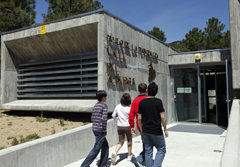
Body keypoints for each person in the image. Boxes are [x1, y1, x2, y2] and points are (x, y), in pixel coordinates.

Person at [138, 82, 169, 167]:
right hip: (156, 130)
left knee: (148, 151)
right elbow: (162, 117)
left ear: (147, 91)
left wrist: (141, 129)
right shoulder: (158, 102)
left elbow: (139, 118)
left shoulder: (142, 102)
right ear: (157, 92)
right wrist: (165, 129)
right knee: (161, 149)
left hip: (146, 130)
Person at [81, 90, 109, 167]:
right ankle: (84, 165)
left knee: (105, 147)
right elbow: (104, 119)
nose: (106, 98)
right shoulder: (104, 106)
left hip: (95, 128)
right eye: (105, 97)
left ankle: (103, 164)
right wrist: (104, 128)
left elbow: (92, 118)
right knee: (96, 149)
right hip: (101, 129)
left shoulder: (95, 106)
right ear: (103, 97)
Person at [129, 83, 148, 163]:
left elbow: (131, 114)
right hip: (149, 124)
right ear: (146, 90)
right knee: (148, 143)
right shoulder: (149, 99)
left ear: (138, 90)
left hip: (140, 125)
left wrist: (132, 126)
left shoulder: (135, 101)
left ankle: (143, 155)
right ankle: (143, 158)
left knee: (145, 141)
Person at [111, 93, 132, 165]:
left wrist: (116, 120)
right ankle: (129, 156)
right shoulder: (129, 108)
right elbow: (132, 118)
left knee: (120, 141)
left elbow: (113, 115)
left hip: (119, 126)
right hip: (127, 126)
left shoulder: (118, 106)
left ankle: (115, 152)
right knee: (129, 140)